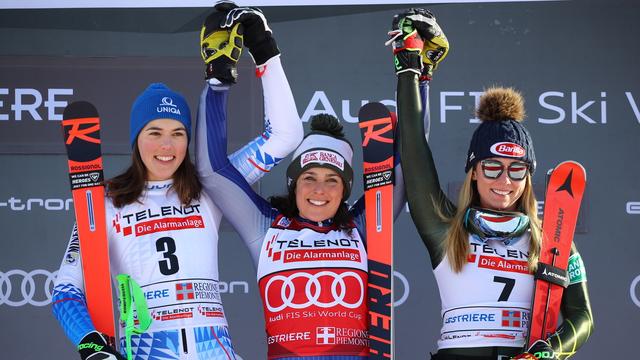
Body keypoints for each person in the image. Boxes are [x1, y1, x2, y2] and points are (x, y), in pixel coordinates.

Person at [51, 4, 303, 359]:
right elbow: (65, 290)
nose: (166, 146)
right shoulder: (106, 201)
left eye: (178, 133)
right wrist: (90, 343)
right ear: (136, 139)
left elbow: (286, 136)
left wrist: (265, 54)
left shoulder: (210, 187)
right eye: (154, 132)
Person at [195, 6, 423, 359]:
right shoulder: (266, 226)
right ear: (293, 184)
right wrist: (218, 83)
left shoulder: (361, 229)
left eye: (333, 180)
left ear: (346, 190)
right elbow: (212, 172)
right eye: (309, 178)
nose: (319, 190)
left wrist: (416, 75)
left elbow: (411, 166)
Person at [392, 9, 594, 360]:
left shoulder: (553, 241)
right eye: (492, 168)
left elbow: (582, 318)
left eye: (517, 170)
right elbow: (413, 153)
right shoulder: (447, 228)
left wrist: (548, 353)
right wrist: (410, 69)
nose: (504, 181)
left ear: (528, 178)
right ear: (472, 171)